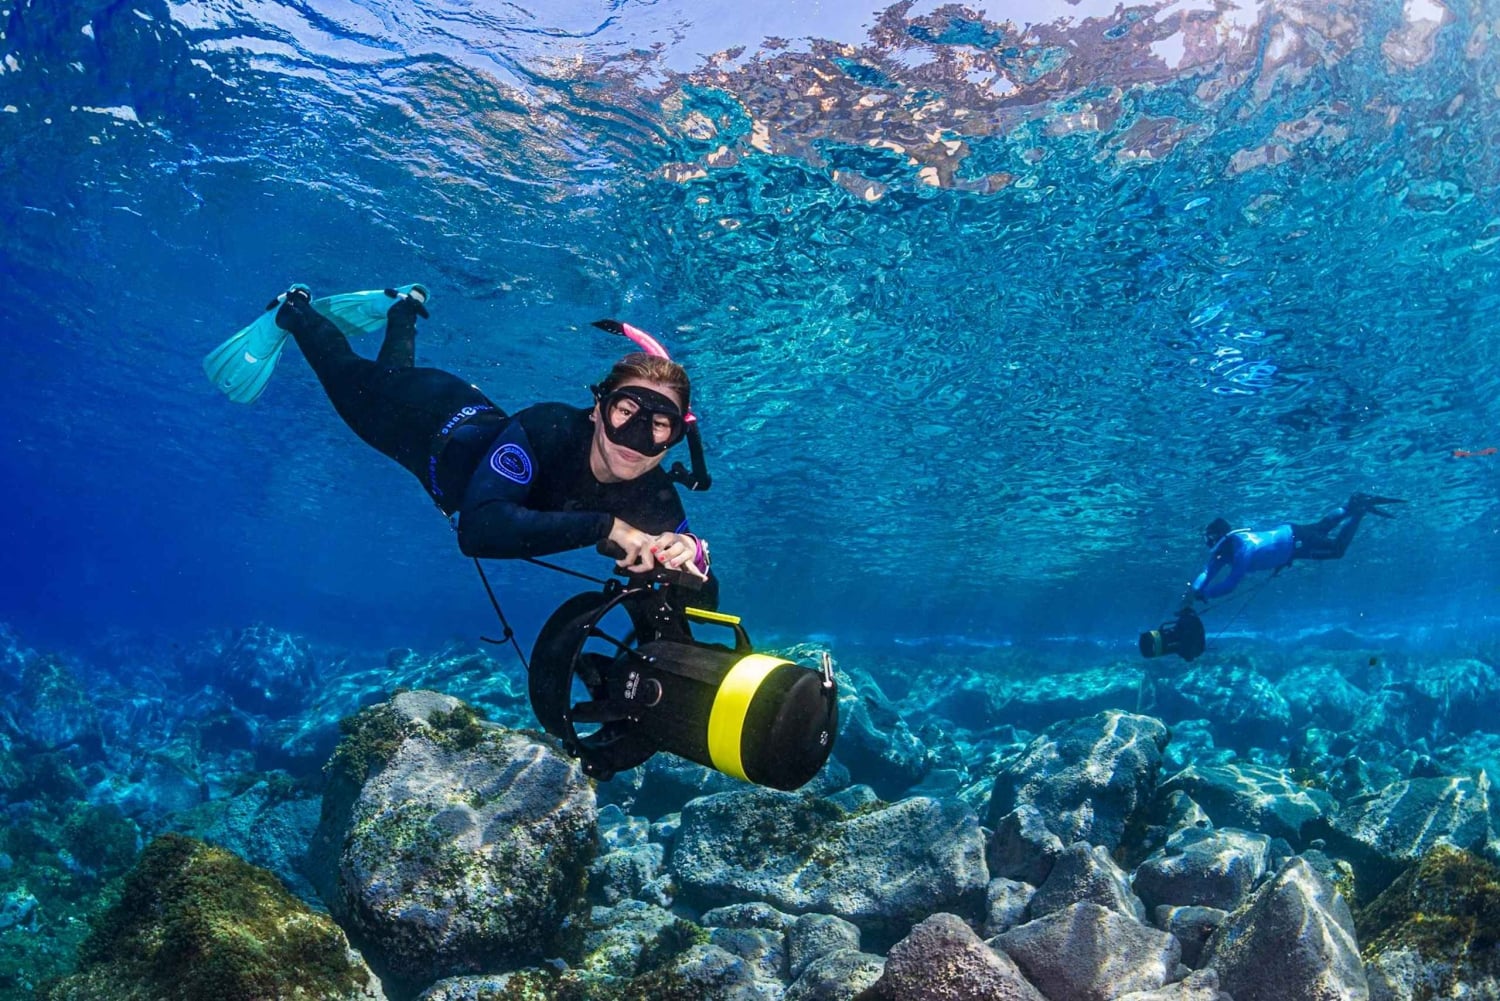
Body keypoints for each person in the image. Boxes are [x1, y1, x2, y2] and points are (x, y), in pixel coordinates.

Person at [223, 285, 715, 597]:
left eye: (658, 424)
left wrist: (688, 554)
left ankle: (404, 309)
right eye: (625, 412)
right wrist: (608, 527)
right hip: (422, 417)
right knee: (348, 377)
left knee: (391, 370)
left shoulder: (655, 494)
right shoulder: (549, 428)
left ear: (678, 434)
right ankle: (294, 310)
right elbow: (479, 530)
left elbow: (699, 589)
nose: (635, 438)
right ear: (597, 409)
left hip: (452, 417)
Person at [1183, 493, 1403, 605]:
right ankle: (1351, 504)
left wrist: (1205, 595)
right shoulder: (1225, 551)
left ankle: (1358, 510)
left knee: (1337, 550)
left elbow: (1231, 583)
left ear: (1220, 538)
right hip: (1291, 537)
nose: (1209, 545)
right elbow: (1206, 571)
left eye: (1210, 540)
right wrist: (1194, 592)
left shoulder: (1242, 547)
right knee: (1323, 527)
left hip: (1295, 543)